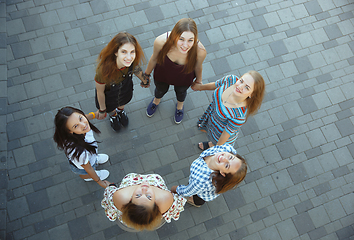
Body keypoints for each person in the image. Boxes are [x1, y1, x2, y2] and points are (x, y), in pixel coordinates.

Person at [144, 18, 207, 124]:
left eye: (190, 40)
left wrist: (199, 82)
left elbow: (198, 66)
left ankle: (179, 106)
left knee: (181, 93)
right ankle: (156, 100)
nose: (185, 45)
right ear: (174, 35)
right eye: (181, 39)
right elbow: (154, 58)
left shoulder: (200, 51)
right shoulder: (161, 42)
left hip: (184, 76)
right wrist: (146, 75)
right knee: (160, 90)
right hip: (163, 73)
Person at [192, 71, 265, 150]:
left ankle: (210, 145)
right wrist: (199, 87)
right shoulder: (230, 79)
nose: (240, 86)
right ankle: (206, 126)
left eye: (247, 87)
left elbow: (225, 135)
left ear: (252, 94)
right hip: (211, 114)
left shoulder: (239, 115)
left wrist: (216, 149)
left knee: (214, 141)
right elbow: (215, 85)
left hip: (219, 131)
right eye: (241, 81)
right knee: (206, 128)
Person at [95, 32, 149, 132]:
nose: (129, 57)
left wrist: (144, 80)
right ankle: (114, 116)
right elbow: (100, 92)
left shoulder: (131, 62)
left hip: (125, 90)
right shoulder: (103, 71)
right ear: (116, 52)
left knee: (123, 102)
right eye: (124, 52)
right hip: (109, 97)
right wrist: (102, 110)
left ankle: (120, 112)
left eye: (132, 52)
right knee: (111, 108)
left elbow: (136, 68)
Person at [101, 173, 186, 231]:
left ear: (129, 201)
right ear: (156, 204)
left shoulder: (120, 197)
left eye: (138, 195)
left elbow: (110, 193)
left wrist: (111, 186)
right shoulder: (166, 199)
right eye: (149, 197)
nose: (144, 189)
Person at [171, 144, 247, 207]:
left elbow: (186, 191)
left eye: (227, 165)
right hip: (200, 184)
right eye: (231, 157)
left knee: (198, 199)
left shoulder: (201, 181)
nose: (223, 158)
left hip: (203, 193)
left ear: (223, 173)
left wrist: (175, 189)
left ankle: (196, 203)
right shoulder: (227, 148)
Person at [53, 106, 111, 188]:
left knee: (91, 160)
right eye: (76, 126)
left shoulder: (80, 129)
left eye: (80, 118)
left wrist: (94, 115)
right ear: (70, 131)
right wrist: (100, 182)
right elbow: (88, 169)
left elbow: (84, 117)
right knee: (86, 172)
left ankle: (95, 159)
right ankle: (89, 177)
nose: (83, 125)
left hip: (90, 156)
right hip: (84, 166)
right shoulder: (78, 152)